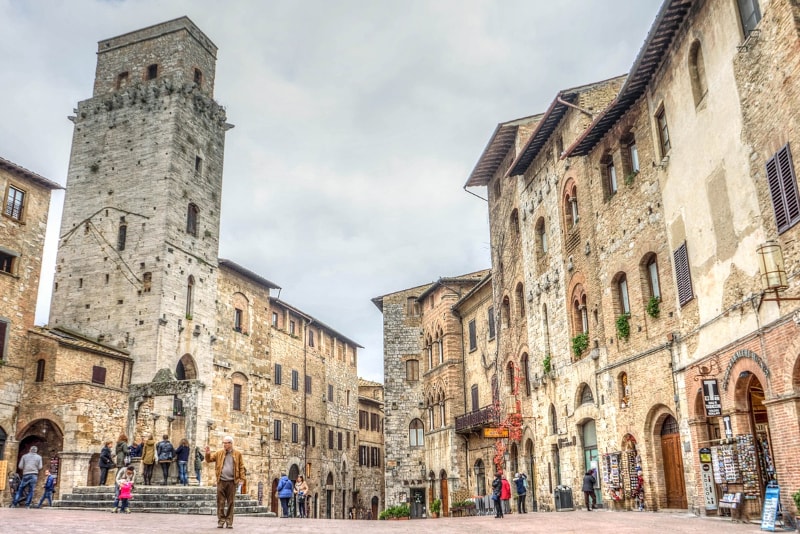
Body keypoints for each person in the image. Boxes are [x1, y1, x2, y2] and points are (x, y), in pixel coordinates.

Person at [205, 436, 246, 529]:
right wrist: (207, 453)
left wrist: (242, 479)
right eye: (223, 443)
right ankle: (221, 521)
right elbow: (209, 459)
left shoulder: (237, 454)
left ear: (231, 444)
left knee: (231, 502)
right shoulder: (219, 453)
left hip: (232, 482)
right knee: (220, 502)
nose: (224, 444)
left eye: (226, 443)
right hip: (221, 481)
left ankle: (229, 522)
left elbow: (241, 467)